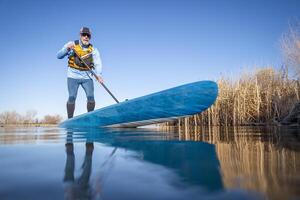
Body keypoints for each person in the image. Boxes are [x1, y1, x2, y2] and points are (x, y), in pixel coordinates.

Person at [57, 27, 103, 118]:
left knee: (91, 97)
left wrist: (99, 75)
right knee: (72, 97)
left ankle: (90, 117)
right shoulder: (72, 44)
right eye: (84, 35)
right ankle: (70, 119)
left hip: (87, 77)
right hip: (73, 76)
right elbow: (58, 56)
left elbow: (98, 63)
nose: (86, 37)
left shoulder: (93, 49)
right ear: (80, 35)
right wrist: (67, 48)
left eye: (88, 35)